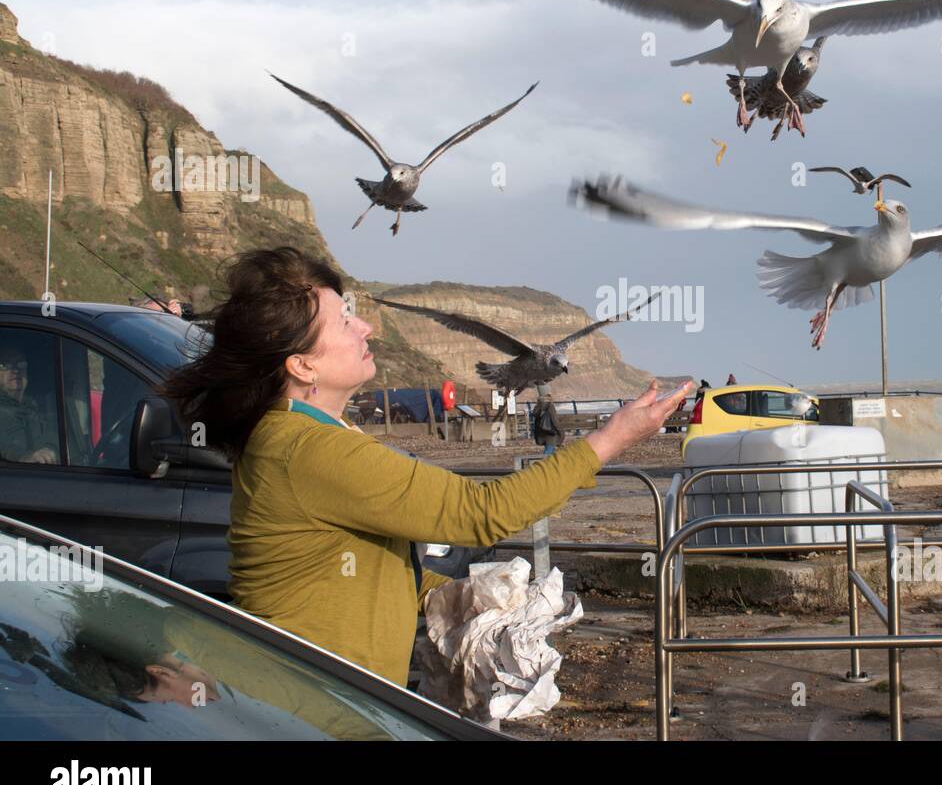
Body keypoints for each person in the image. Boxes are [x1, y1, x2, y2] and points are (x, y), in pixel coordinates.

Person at [159, 247, 690, 687]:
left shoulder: (299, 434)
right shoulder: (307, 449)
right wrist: (612, 438)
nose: (365, 326)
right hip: (313, 705)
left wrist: (444, 595)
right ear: (302, 365)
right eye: (344, 321)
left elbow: (343, 566)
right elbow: (480, 512)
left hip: (324, 698)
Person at [0, 343, 58, 464]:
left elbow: (53, 434)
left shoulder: (35, 407)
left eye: (21, 364)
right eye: (5, 365)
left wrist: (50, 449)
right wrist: (25, 458)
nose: (15, 370)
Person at [533, 385, 563, 456]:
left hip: (542, 433)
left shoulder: (538, 405)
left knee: (550, 455)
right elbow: (554, 421)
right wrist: (561, 432)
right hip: (551, 435)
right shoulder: (549, 405)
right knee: (547, 455)